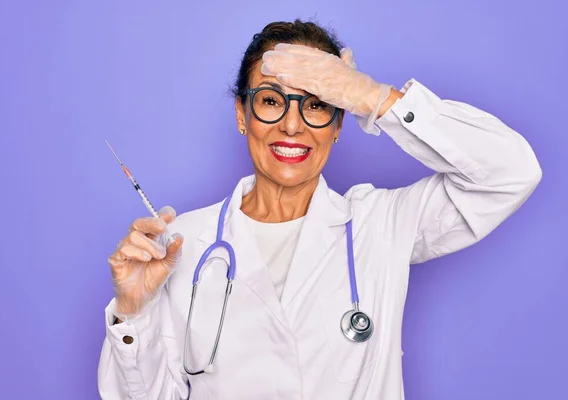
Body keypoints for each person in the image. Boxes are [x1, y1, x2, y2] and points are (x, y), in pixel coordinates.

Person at [97, 20, 541, 400]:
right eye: (271, 101)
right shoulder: (180, 244)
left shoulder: (381, 223)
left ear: (339, 124)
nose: (292, 125)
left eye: (316, 105)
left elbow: (510, 172)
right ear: (241, 114)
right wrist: (133, 310)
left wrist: (374, 97)